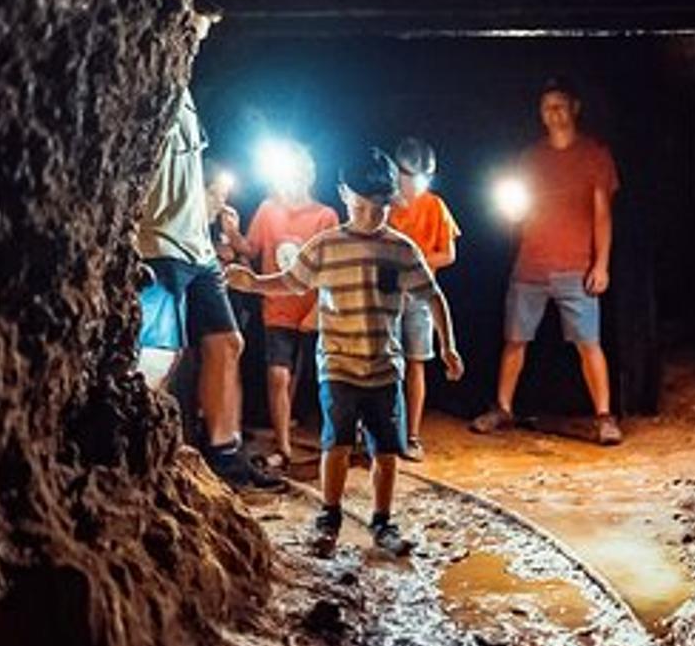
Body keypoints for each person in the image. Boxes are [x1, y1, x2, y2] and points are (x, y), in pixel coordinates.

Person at [226, 149, 464, 557]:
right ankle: (330, 514)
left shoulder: (401, 249)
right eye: (362, 206)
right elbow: (291, 282)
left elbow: (433, 296)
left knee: (386, 452)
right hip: (337, 365)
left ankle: (383, 520)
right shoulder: (326, 246)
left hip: (385, 368)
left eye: (381, 207)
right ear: (344, 196)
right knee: (334, 445)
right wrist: (252, 283)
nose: (373, 216)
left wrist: (449, 345)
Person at [134, 7, 283, 490]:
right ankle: (135, 445)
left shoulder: (186, 95)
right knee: (159, 352)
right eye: (191, 30)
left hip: (196, 246)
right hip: (159, 244)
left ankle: (224, 453)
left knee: (228, 342)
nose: (198, 39)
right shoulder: (145, 83)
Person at [470, 77, 622, 446]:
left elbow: (603, 214)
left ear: (574, 108)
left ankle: (604, 416)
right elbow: (518, 207)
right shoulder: (530, 158)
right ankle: (503, 408)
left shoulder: (594, 154)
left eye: (559, 106)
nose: (553, 114)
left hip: (575, 265)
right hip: (531, 264)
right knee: (515, 340)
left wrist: (601, 264)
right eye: (546, 107)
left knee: (588, 342)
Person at [242, 148, 338, 469]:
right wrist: (229, 233)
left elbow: (331, 266)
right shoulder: (268, 210)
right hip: (277, 306)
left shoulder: (325, 216)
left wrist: (317, 312)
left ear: (308, 175)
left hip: (312, 310)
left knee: (308, 374)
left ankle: (339, 443)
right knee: (278, 373)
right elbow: (250, 248)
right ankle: (283, 447)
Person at [386, 136, 462, 460]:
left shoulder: (435, 206)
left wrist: (417, 264)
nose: (413, 184)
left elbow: (448, 254)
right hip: (387, 294)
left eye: (420, 177)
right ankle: (381, 430)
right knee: (386, 364)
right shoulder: (385, 205)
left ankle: (412, 435)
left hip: (420, 295)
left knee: (417, 361)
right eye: (407, 176)